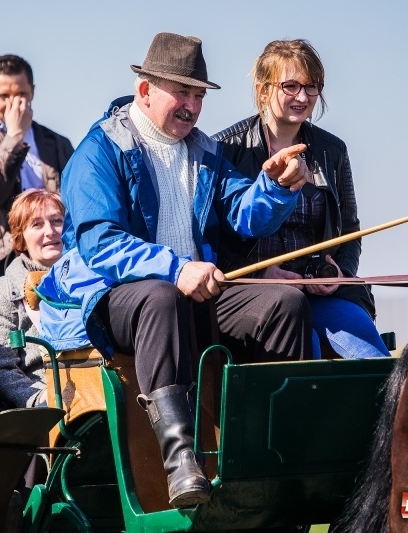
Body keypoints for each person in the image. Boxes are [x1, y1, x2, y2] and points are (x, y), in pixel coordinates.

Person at [35, 32, 314, 509]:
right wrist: (174, 268)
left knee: (284, 303)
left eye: (199, 96)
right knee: (160, 297)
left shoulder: (205, 151)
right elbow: (100, 243)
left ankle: (275, 458)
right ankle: (181, 462)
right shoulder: (98, 150)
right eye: (182, 93)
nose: (192, 106)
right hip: (112, 296)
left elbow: (244, 215)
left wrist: (274, 188)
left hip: (192, 291)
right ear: (145, 90)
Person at [213, 39, 390, 359]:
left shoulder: (334, 150)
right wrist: (258, 275)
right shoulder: (224, 149)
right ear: (263, 90)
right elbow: (209, 238)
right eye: (291, 86)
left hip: (321, 293)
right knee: (306, 350)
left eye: (312, 86)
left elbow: (350, 230)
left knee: (372, 357)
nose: (303, 97)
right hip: (257, 295)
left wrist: (339, 272)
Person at [0, 54, 74, 298]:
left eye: (21, 94)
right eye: (3, 96)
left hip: (52, 252)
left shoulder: (56, 143)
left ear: (32, 91)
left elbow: (73, 201)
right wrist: (15, 136)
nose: (13, 103)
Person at [0, 189, 64, 408]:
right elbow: (0, 368)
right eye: (37, 224)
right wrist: (40, 399)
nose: (50, 231)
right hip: (44, 404)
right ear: (21, 238)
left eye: (57, 221)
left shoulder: (93, 281)